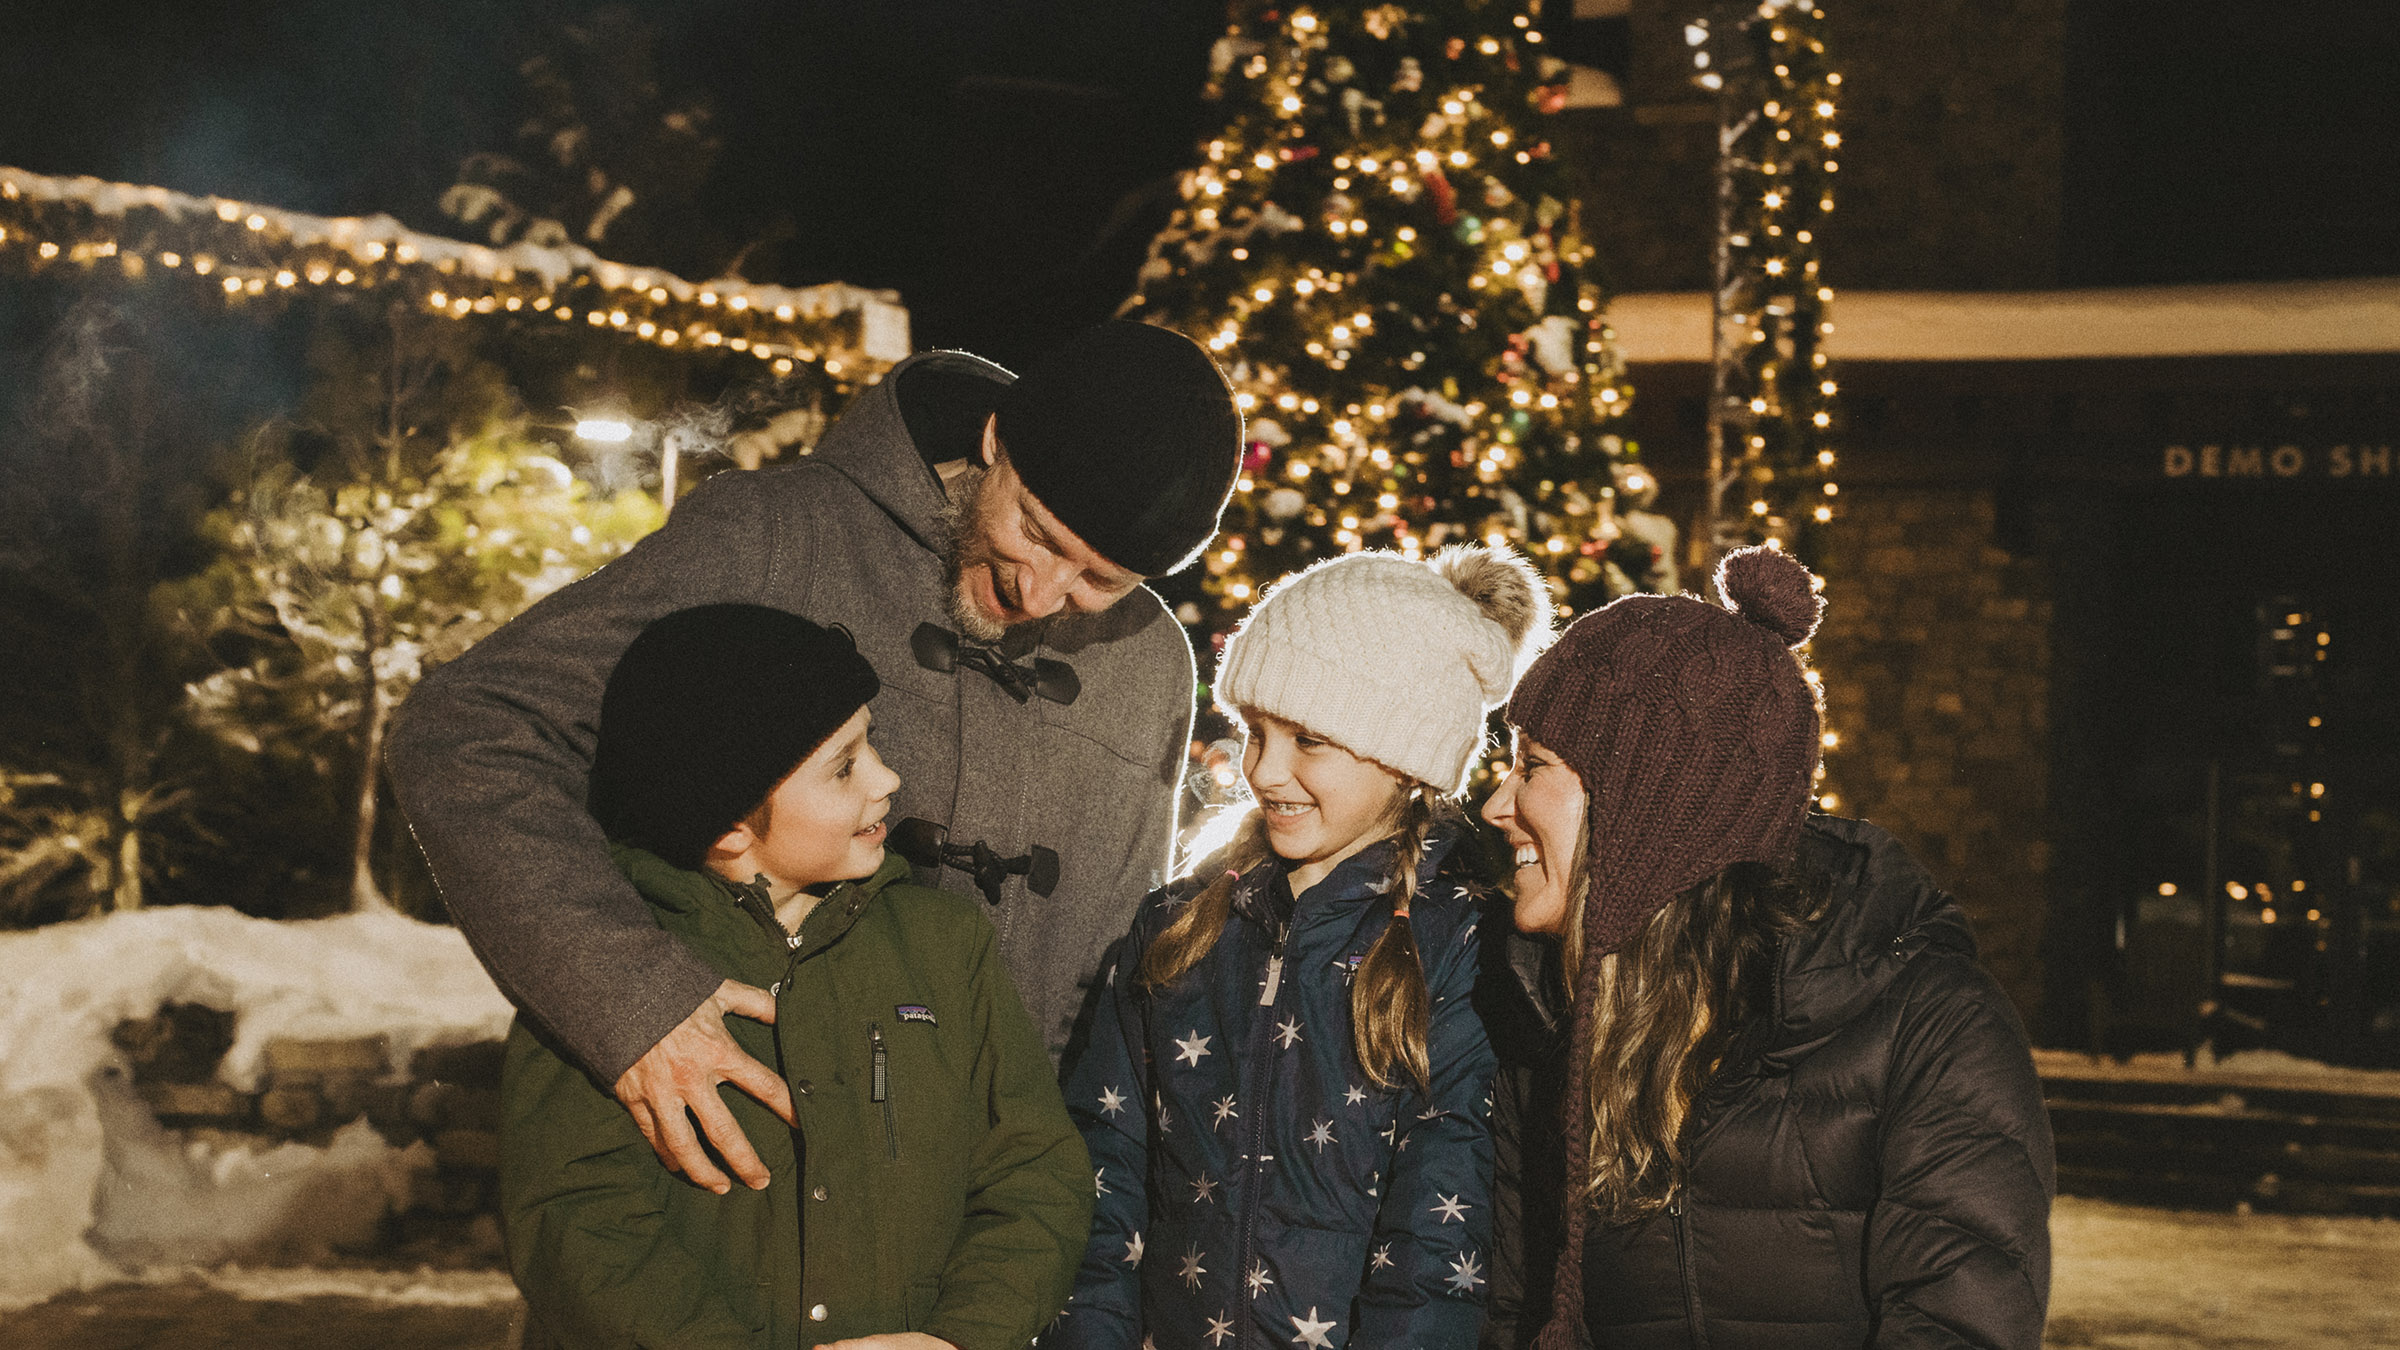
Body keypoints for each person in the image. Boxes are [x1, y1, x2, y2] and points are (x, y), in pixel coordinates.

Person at [388, 320, 1241, 1195]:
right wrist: (632, 1001)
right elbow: (471, 728)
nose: (1044, 593)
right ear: (996, 439)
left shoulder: (1151, 665)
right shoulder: (776, 538)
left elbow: (1106, 980)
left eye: (1103, 580)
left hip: (982, 1228)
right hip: (733, 1172)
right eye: (1040, 532)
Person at [1475, 546, 2055, 1350]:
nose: (1497, 804)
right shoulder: (1545, 1019)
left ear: (1648, 798)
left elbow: (1959, 1325)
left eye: (1532, 767)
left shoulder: (1926, 1025)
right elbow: (1513, 1313)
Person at [501, 603, 1090, 1350]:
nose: (888, 779)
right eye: (844, 766)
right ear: (727, 826)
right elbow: (575, 1219)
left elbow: (1035, 1173)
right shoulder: (609, 969)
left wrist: (959, 1338)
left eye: (870, 743)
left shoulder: (946, 946)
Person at [1052, 545, 1550, 1350]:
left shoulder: (1461, 943)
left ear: (1405, 756)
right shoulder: (1178, 926)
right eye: (1254, 731)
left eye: (1308, 739)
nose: (1263, 769)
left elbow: (1438, 1245)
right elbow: (1100, 1176)